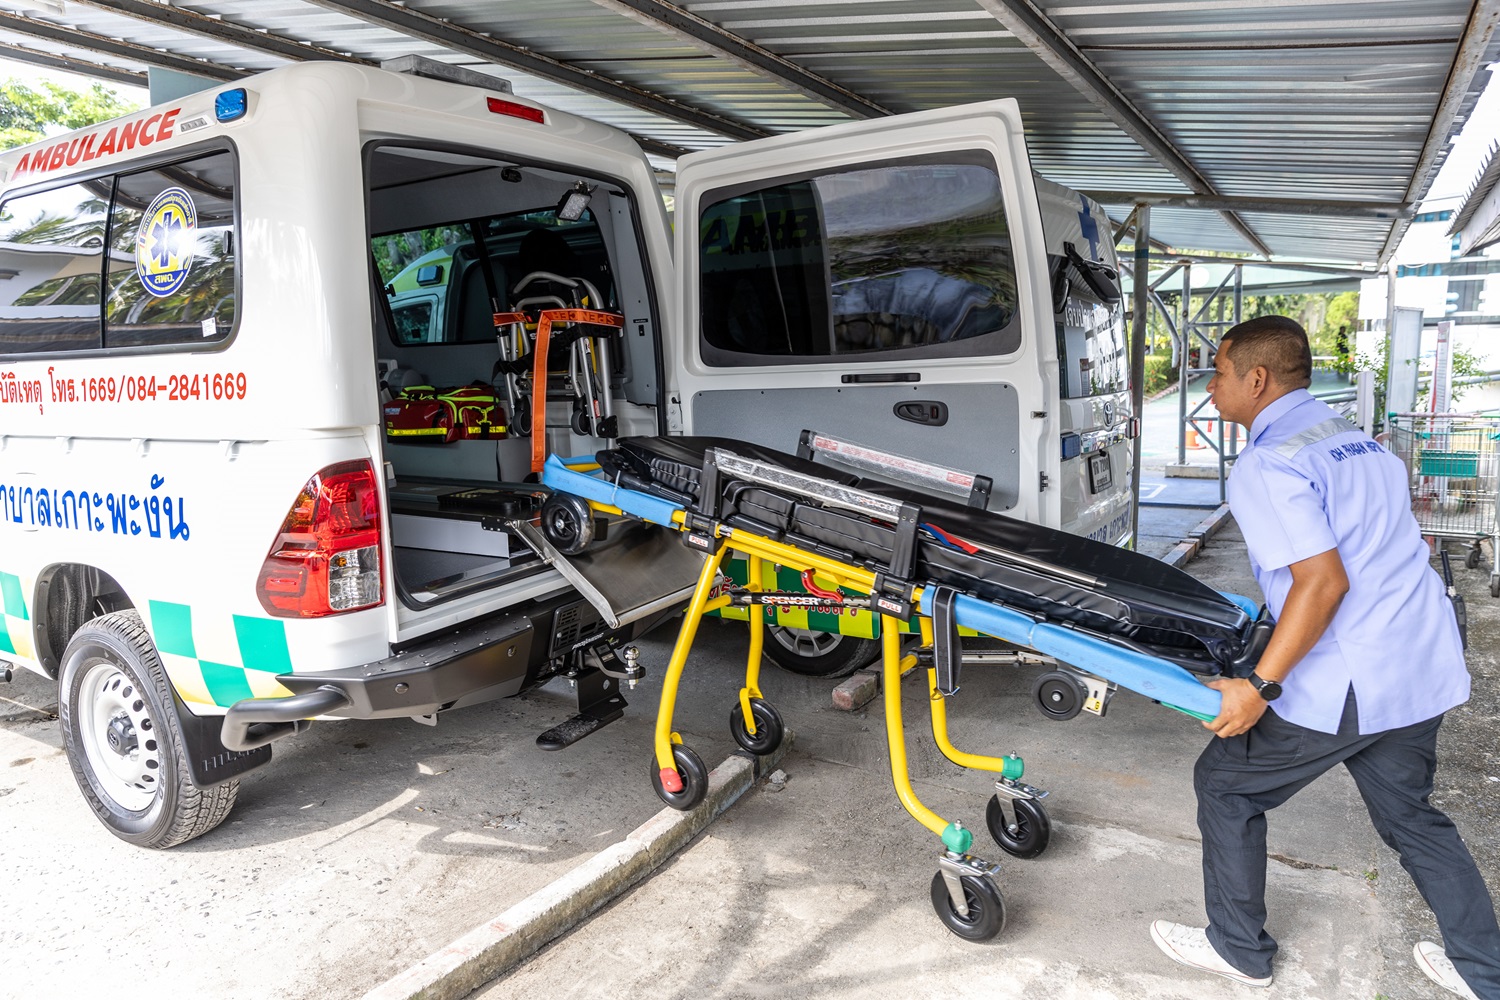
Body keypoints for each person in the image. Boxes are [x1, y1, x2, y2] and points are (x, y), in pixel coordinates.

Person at [1148, 315, 1500, 998]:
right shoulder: (1357, 441)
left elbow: (1323, 583)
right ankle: (1486, 973)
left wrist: (1258, 684)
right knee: (1412, 818)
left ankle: (1239, 950)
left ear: (1256, 378)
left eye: (1217, 373)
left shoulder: (1268, 462)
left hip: (1351, 677)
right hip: (1419, 663)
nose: (1210, 388)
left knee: (1226, 784)